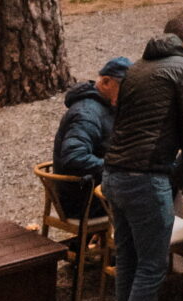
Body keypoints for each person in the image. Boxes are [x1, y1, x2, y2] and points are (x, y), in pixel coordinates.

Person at [101, 29, 183, 301]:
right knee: (151, 265)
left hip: (114, 173)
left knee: (129, 259)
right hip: (145, 178)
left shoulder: (135, 68)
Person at [50, 58, 130, 219]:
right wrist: (117, 165)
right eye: (124, 89)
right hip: (83, 200)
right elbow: (74, 157)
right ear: (106, 82)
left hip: (94, 189)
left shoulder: (105, 107)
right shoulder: (87, 114)